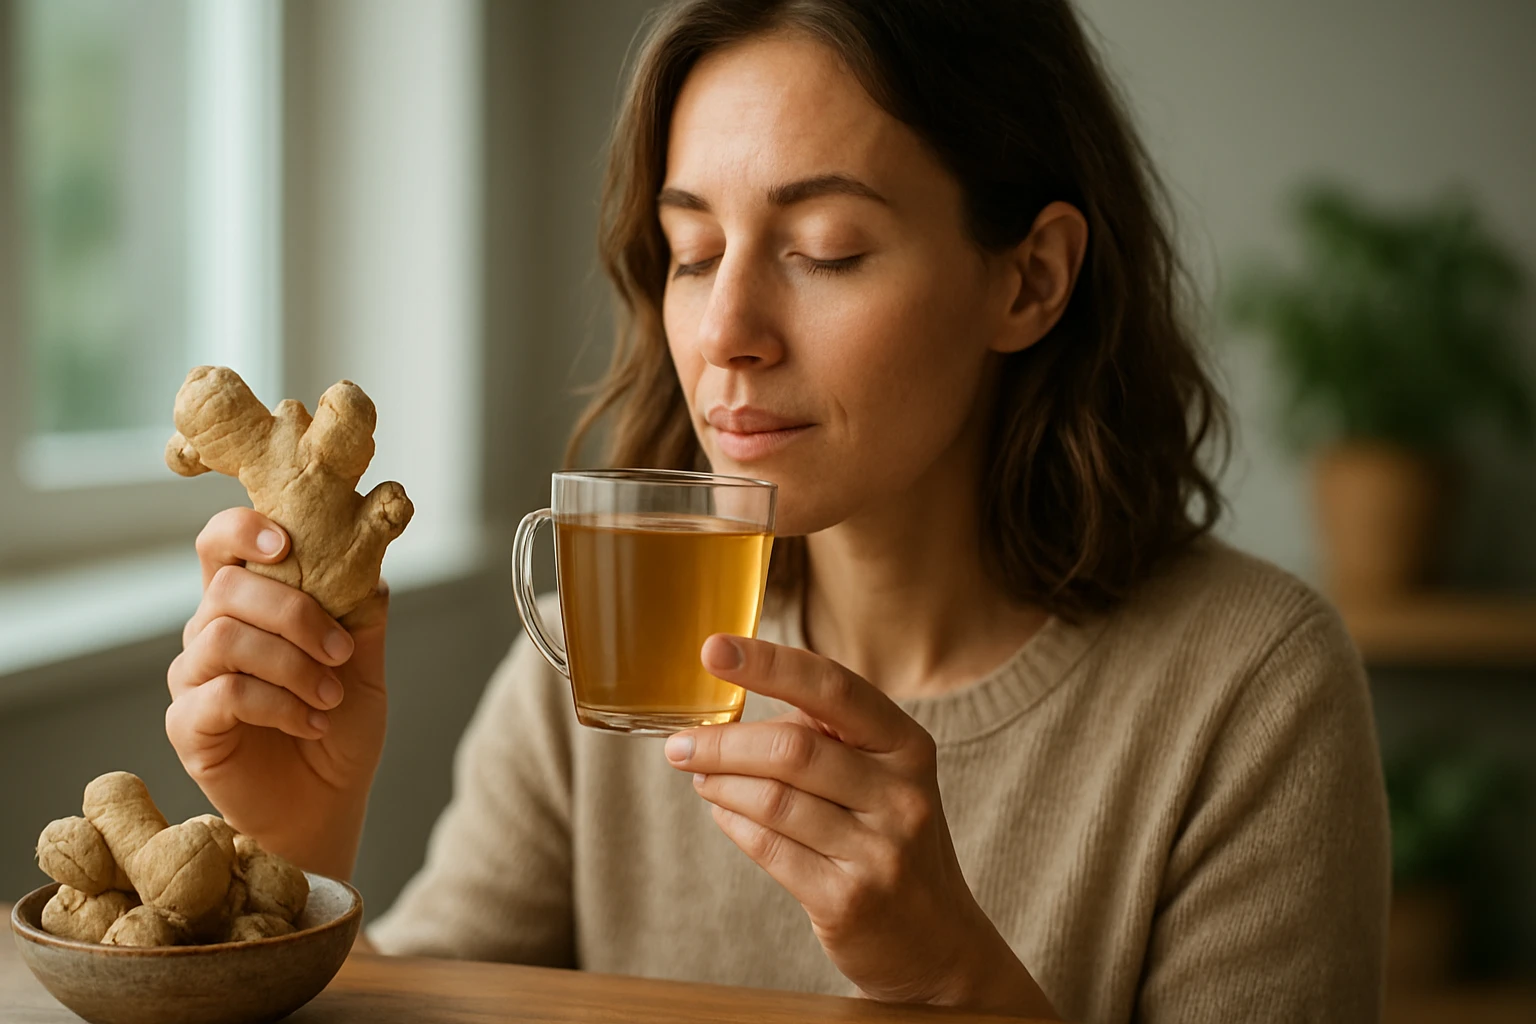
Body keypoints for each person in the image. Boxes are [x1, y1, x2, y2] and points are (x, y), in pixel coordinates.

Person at [164, 1, 1390, 1020]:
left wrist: (954, 976)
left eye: (825, 248)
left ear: (1030, 279)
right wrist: (305, 848)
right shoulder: (615, 640)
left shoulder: (1251, 686)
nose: (726, 334)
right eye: (693, 252)